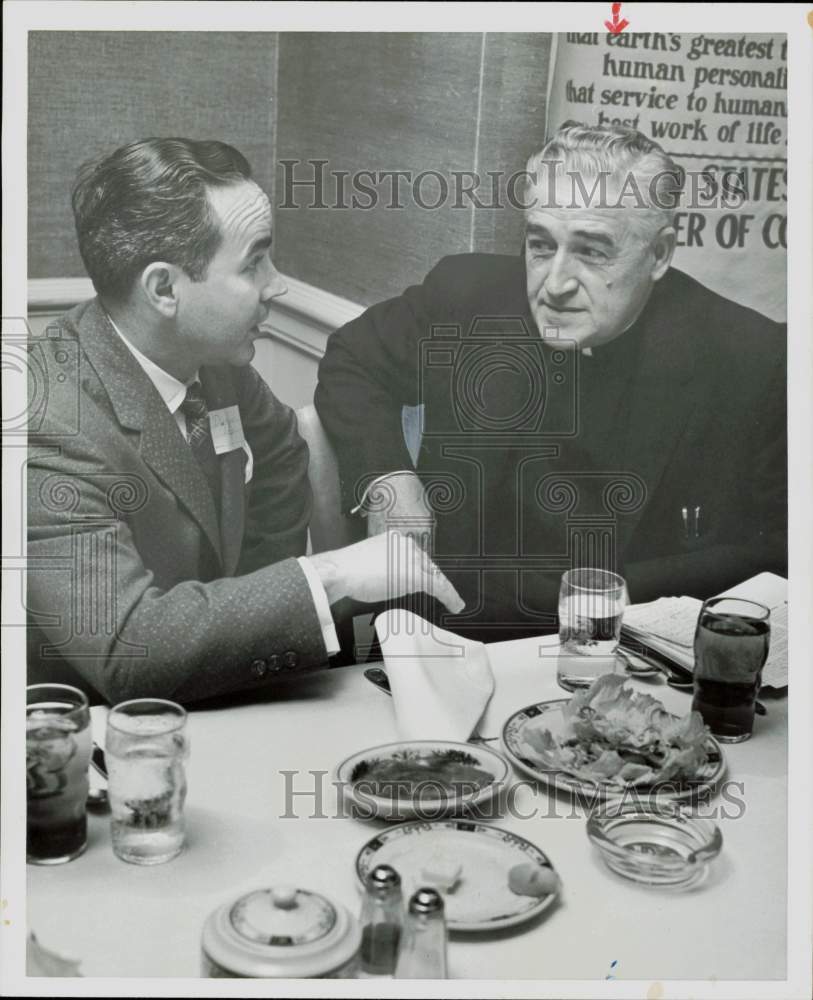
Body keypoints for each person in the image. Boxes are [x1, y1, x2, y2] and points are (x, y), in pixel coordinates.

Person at [26, 138, 463, 705]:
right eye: (254, 262)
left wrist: (244, 605)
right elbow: (127, 651)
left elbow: (282, 453)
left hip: (208, 699)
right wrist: (330, 574)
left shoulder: (209, 360)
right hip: (85, 735)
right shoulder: (45, 422)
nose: (276, 284)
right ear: (164, 289)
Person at [315, 122, 787, 644]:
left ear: (659, 255)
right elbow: (352, 360)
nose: (555, 285)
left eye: (592, 251)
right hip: (445, 638)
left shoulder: (752, 359)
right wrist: (388, 483)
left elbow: (781, 551)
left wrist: (619, 603)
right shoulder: (466, 294)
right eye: (541, 246)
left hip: (628, 657)